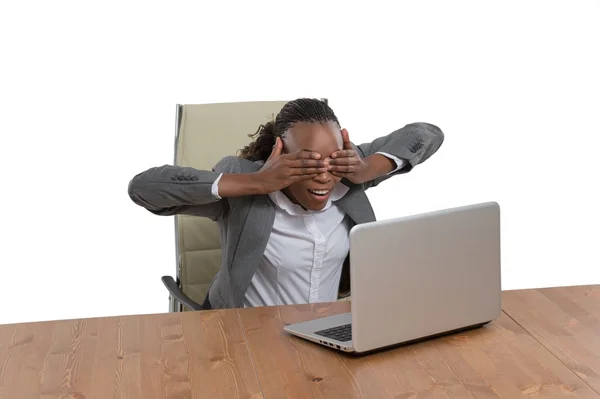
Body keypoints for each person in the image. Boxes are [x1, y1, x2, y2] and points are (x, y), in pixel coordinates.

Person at [128, 98, 444, 309]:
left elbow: (427, 134)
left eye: (332, 161)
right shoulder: (245, 184)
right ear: (281, 154)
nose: (323, 176)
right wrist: (257, 183)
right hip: (244, 338)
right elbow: (143, 188)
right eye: (308, 163)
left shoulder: (348, 172)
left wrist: (369, 167)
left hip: (324, 333)